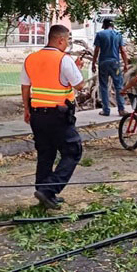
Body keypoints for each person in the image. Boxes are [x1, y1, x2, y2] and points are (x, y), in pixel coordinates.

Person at [21, 24, 87, 210]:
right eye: (67, 41)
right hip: (58, 115)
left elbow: (25, 87)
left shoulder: (31, 58)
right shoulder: (63, 59)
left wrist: (27, 109)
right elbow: (80, 85)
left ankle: (43, 192)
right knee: (73, 151)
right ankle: (50, 188)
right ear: (60, 40)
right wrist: (76, 68)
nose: (67, 44)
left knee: (46, 153)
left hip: (36, 114)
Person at [91, 18, 129, 117]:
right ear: (113, 26)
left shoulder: (100, 34)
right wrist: (126, 64)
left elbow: (96, 50)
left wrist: (93, 63)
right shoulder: (118, 35)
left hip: (103, 64)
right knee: (118, 86)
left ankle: (106, 110)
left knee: (103, 86)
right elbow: (123, 51)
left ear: (104, 25)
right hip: (115, 65)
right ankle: (121, 109)